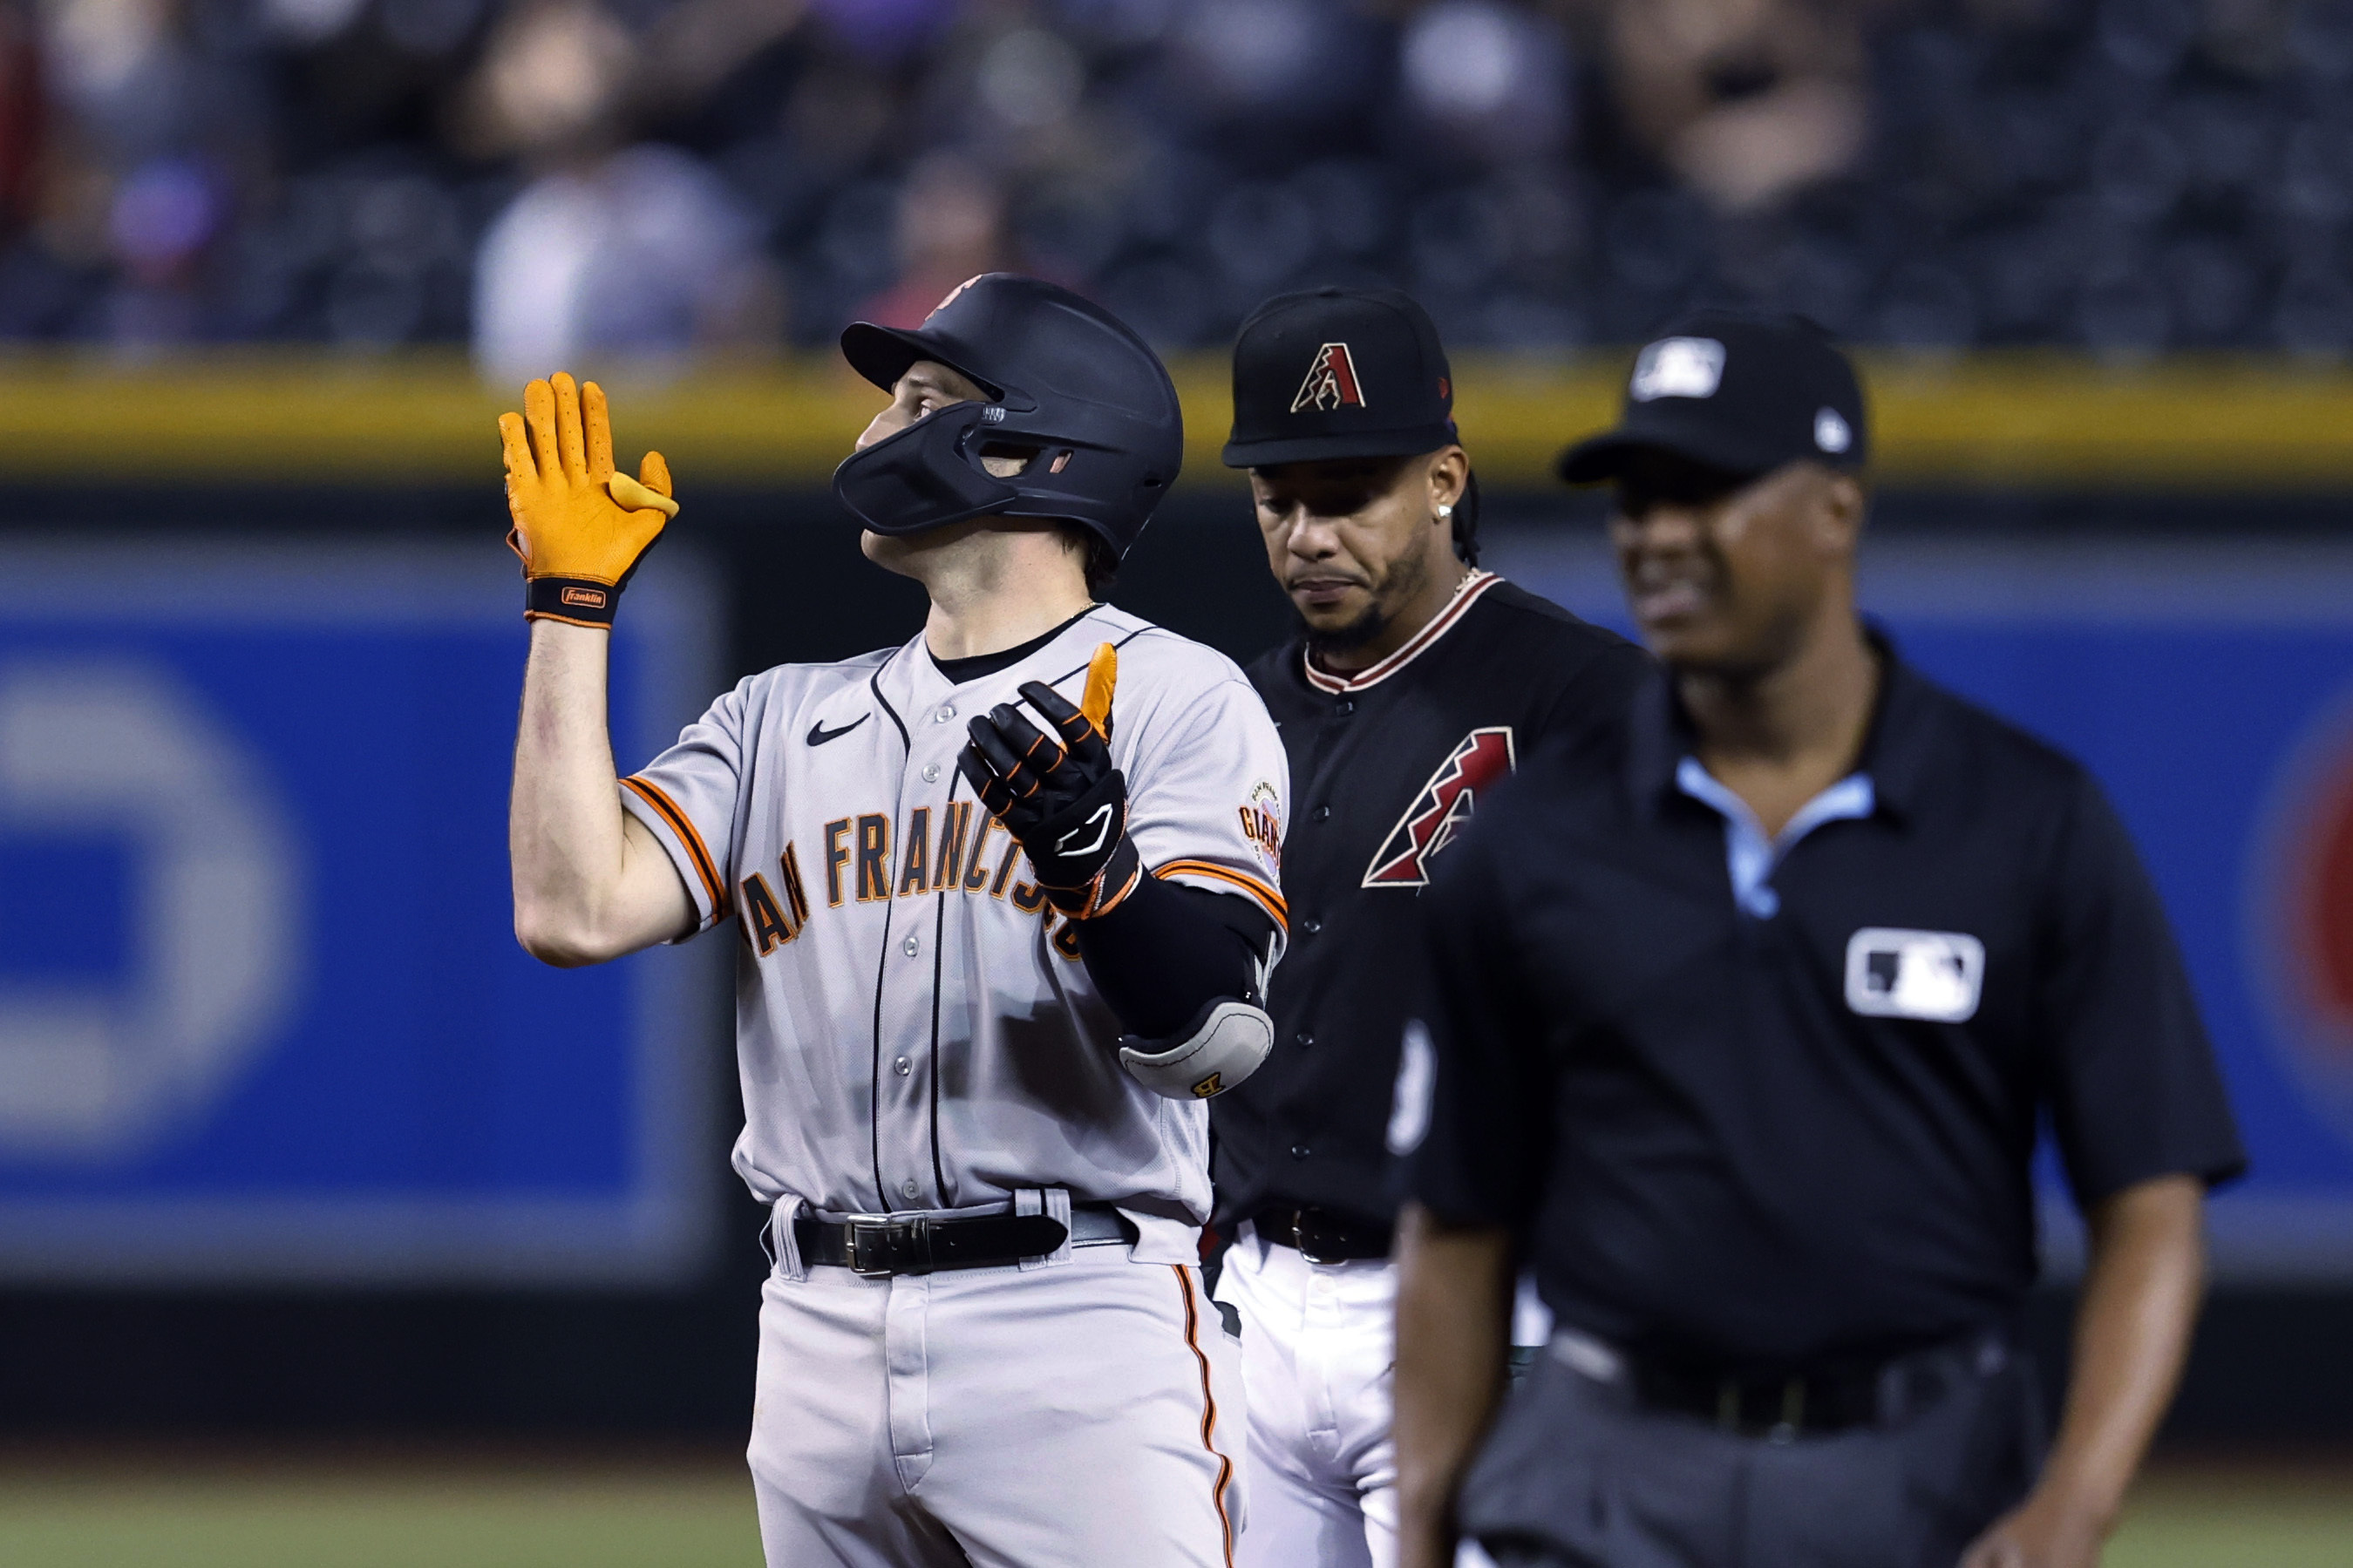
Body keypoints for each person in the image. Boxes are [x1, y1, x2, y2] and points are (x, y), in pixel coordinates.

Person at [1391, 312, 2246, 1568]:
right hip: (1603, 1470)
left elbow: (2151, 1199)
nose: (1659, 534)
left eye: (1709, 491)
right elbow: (1457, 1224)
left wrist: (2076, 1501)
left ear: (1836, 509)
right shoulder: (1534, 842)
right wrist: (1422, 1534)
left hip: (1918, 1472)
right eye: (1635, 497)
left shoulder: (2019, 819)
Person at [500, 273, 1294, 1568]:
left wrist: (1100, 865)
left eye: (924, 399)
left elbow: (1212, 1042)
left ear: (1037, 450)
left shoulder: (1173, 699)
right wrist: (568, 611)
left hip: (1073, 1319)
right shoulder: (777, 718)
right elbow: (571, 909)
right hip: (816, 1324)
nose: (877, 427)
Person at [1208, 285, 1649, 1568]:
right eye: (1278, 499)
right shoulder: (1228, 714)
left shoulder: (1583, 700)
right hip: (1257, 1306)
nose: (1308, 533)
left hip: (1486, 1300)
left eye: (1349, 494)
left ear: (1444, 477)